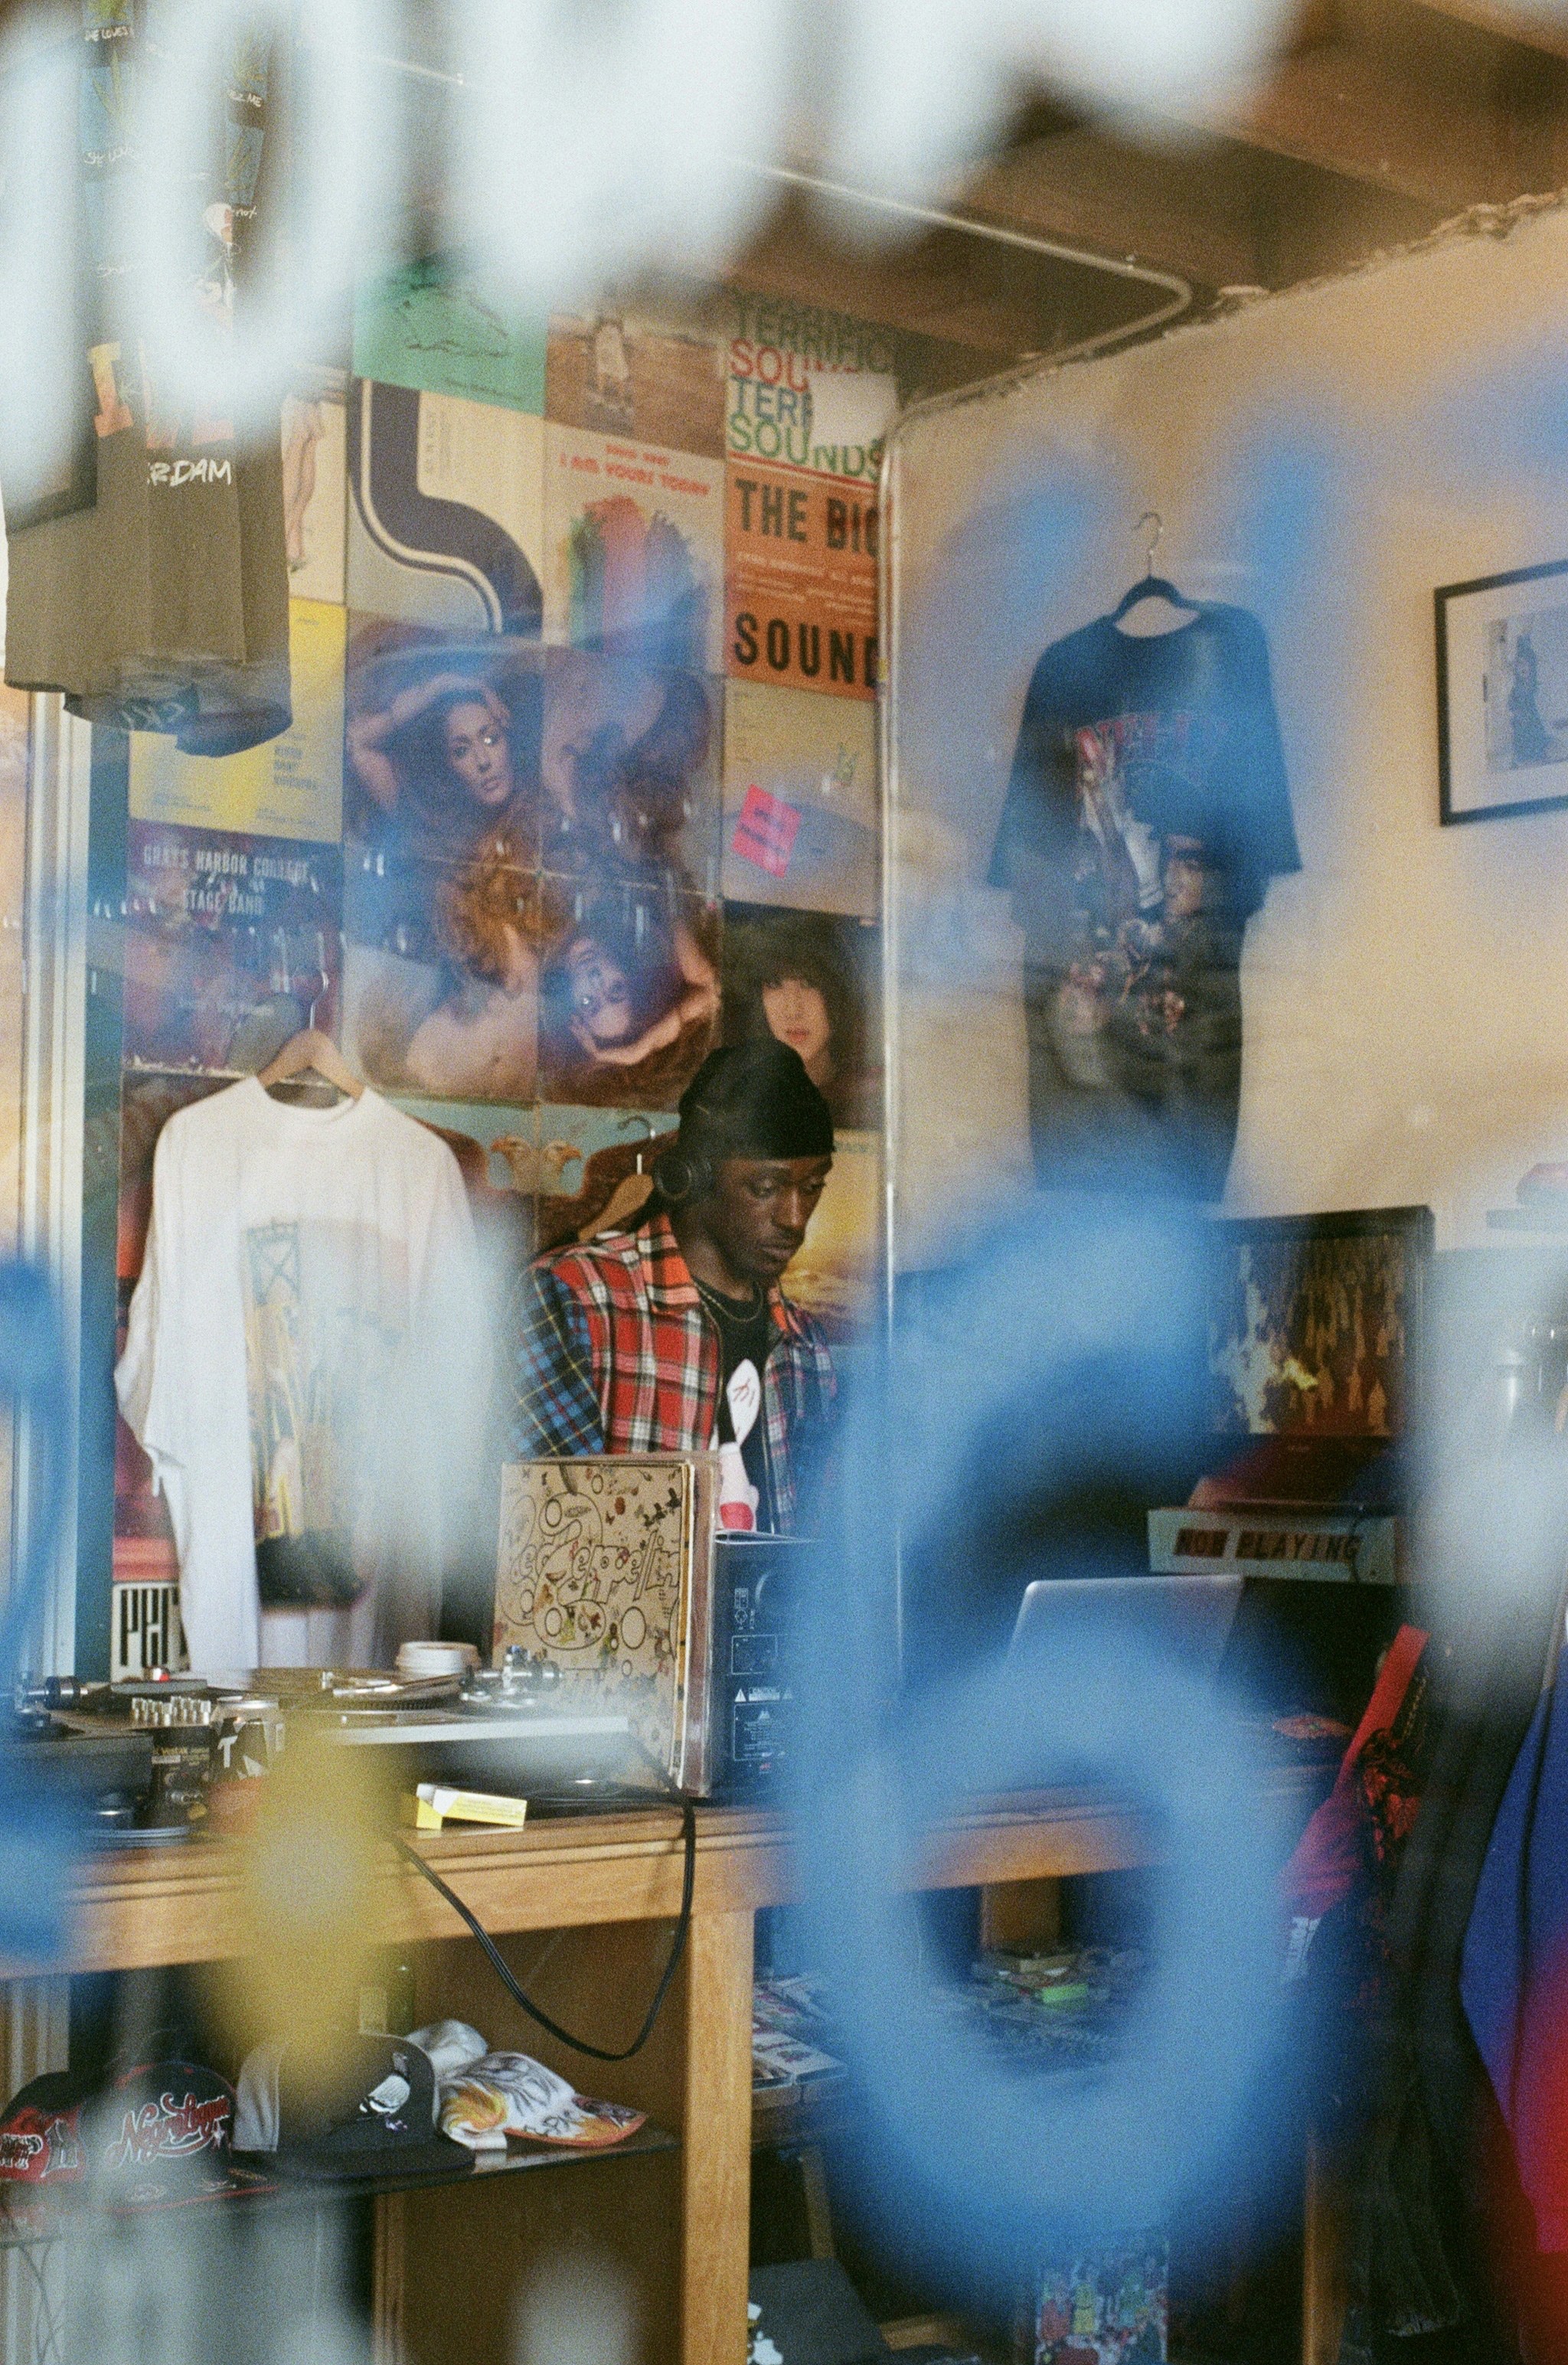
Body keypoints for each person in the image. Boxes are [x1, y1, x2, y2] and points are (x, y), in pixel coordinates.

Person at [514, 1042, 837, 1533]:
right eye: (765, 1189)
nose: (795, 1219)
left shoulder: (803, 1343)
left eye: (812, 1187)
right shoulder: (575, 1298)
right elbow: (554, 1541)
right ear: (695, 1176)